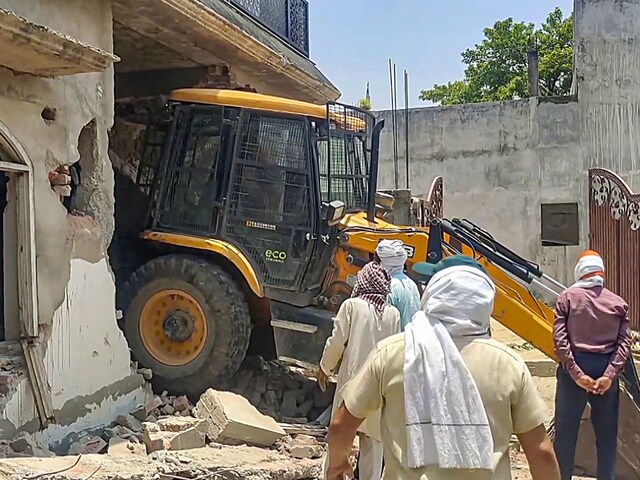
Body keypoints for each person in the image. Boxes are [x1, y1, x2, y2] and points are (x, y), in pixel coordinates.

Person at [326, 255, 560, 480]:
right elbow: (541, 452)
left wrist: (338, 464)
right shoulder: (509, 365)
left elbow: (340, 427)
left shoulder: (393, 353)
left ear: (436, 292)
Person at [553, 250, 632, 480]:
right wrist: (609, 375)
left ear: (580, 271)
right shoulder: (618, 303)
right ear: (601, 272)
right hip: (606, 370)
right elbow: (624, 342)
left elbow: (560, 341)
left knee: (566, 435)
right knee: (606, 436)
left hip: (574, 372)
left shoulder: (566, 298)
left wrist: (577, 374)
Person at [317, 261, 400, 480]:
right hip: (380, 385)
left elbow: (337, 341)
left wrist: (325, 367)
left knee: (339, 435)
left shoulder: (351, 306)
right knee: (373, 441)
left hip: (352, 383)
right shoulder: (393, 314)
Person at [375, 239, 421, 330]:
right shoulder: (411, 284)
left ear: (383, 261)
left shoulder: (388, 287)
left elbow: (384, 324)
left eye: (376, 260)